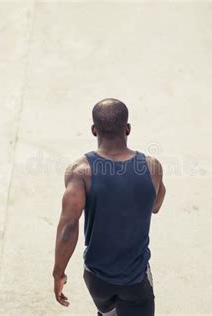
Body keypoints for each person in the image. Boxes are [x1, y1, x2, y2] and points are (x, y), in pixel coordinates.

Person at [52, 98, 166, 315]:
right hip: (135, 279)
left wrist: (59, 273)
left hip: (96, 278)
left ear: (94, 130)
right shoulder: (152, 167)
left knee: (108, 313)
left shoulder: (80, 171)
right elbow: (156, 206)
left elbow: (68, 226)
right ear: (128, 128)